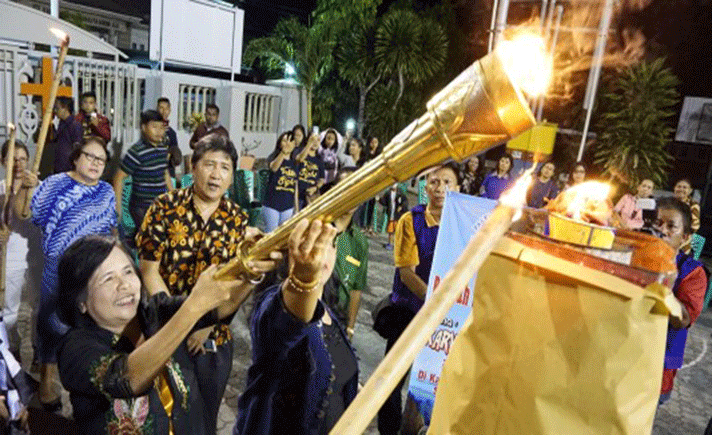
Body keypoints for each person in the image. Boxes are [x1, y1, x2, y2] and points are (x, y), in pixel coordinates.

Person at [56, 235, 279, 434]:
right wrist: (193, 306)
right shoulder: (75, 349)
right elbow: (127, 379)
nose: (124, 285)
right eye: (107, 279)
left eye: (127, 272)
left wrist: (252, 267)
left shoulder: (153, 313)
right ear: (81, 302)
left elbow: (223, 303)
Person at [136, 134, 245, 434]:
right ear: (193, 167)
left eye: (225, 167)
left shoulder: (238, 220)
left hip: (212, 335)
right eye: (209, 164)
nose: (216, 174)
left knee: (205, 417)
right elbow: (149, 271)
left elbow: (236, 283)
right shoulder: (165, 206)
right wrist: (179, 322)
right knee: (161, 415)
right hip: (163, 331)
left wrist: (206, 323)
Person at [14, 136, 117, 412]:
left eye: (101, 160)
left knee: (90, 329)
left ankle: (86, 385)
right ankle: (47, 383)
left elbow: (111, 228)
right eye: (90, 156)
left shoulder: (106, 191)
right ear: (76, 157)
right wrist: (25, 189)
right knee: (52, 325)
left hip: (92, 272)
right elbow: (23, 214)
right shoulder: (55, 184)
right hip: (57, 268)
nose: (96, 163)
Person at [234, 219, 358, 435]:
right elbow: (287, 323)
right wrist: (304, 279)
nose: (320, 252)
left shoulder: (329, 310)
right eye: (309, 241)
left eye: (329, 243)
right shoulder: (275, 304)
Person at [376, 163, 460, 435]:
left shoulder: (461, 226)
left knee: (427, 383)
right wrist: (435, 300)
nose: (440, 189)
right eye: (434, 182)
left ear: (458, 188)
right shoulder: (410, 221)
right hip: (409, 312)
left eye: (447, 182)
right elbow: (406, 273)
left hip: (443, 319)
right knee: (392, 380)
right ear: (425, 187)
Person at [653, 197, 707, 404]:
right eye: (658, 223)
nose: (662, 231)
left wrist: (665, 284)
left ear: (684, 237)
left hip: (658, 369)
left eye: (671, 226)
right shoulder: (636, 258)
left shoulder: (692, 272)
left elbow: (683, 319)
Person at [0, 140, 41, 355]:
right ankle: (12, 351)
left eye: (23, 159)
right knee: (10, 310)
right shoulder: (0, 189)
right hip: (10, 258)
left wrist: (31, 189)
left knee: (38, 306)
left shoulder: (39, 187)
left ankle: (37, 348)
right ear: (2, 161)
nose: (18, 164)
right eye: (12, 159)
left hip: (36, 255)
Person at [320, 167, 368, 341]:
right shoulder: (316, 228)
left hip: (338, 320)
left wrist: (350, 327)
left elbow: (356, 289)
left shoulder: (359, 242)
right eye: (345, 188)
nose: (351, 195)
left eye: (357, 190)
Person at [113, 110, 173, 244]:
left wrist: (172, 195)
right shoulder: (136, 151)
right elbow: (118, 177)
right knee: (153, 240)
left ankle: (135, 242)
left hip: (159, 203)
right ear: (144, 128)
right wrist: (118, 209)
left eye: (161, 127)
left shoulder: (163, 147)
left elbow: (165, 172)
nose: (159, 131)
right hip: (140, 206)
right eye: (154, 127)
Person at [259, 132, 297, 232]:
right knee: (271, 233)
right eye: (285, 140)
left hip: (288, 206)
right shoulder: (274, 157)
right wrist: (283, 153)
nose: (288, 143)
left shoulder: (295, 163)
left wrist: (296, 207)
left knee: (284, 235)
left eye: (290, 141)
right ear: (280, 143)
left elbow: (295, 185)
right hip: (272, 205)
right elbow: (274, 167)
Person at [52, 97, 83, 174]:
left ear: (65, 108)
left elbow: (77, 147)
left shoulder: (75, 124)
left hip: (68, 166)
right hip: (59, 164)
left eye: (57, 108)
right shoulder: (61, 123)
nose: (55, 111)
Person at [295, 134, 325, 209]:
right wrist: (309, 144)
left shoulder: (319, 159)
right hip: (298, 195)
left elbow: (321, 179)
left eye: (318, 140)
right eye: (313, 140)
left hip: (311, 196)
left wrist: (315, 188)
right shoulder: (300, 152)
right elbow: (300, 159)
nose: (315, 142)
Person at [156, 98, 182, 178]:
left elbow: (175, 153)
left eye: (166, 108)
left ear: (169, 110)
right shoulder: (151, 130)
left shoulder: (172, 133)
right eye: (161, 108)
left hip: (169, 174)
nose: (164, 111)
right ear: (157, 109)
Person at [672, 178, 700, 254]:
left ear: (690, 191)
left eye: (685, 187)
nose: (681, 189)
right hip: (665, 238)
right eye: (679, 186)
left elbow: (695, 226)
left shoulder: (693, 205)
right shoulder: (668, 202)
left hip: (682, 244)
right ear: (674, 188)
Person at [379, 184, 409, 250]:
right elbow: (384, 202)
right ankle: (390, 243)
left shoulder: (400, 193)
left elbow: (405, 202)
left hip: (398, 215)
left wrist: (401, 207)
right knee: (390, 231)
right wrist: (379, 199)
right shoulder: (388, 193)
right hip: (391, 215)